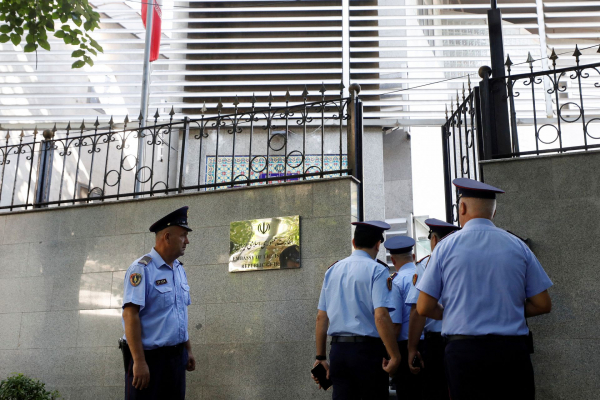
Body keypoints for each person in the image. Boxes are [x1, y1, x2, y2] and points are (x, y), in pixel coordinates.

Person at [416, 178, 553, 400]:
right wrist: (507, 307)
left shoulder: (445, 247)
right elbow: (543, 304)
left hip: (464, 353)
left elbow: (423, 307)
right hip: (511, 352)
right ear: (494, 212)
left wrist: (455, 311)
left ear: (462, 207)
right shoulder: (518, 246)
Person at [313, 221, 401, 399]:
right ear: (378, 244)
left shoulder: (332, 271)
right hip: (367, 352)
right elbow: (381, 317)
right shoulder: (377, 270)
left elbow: (321, 318)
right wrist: (395, 355)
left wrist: (321, 357)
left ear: (354, 242)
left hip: (338, 351)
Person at [120, 206, 196, 400]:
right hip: (149, 359)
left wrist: (188, 350)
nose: (187, 241)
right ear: (167, 237)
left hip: (176, 357)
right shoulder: (141, 269)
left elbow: (179, 312)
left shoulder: (178, 269)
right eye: (183, 235)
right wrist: (139, 361)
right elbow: (130, 315)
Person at [405, 218, 460, 400]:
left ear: (434, 240)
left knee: (436, 391)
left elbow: (417, 310)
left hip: (435, 343)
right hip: (464, 339)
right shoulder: (463, 263)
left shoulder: (425, 265)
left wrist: (412, 347)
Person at [385, 236, 424, 400]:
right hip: (431, 344)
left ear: (393, 260)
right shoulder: (426, 274)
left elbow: (395, 325)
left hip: (405, 347)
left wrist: (390, 355)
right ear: (413, 257)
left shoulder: (395, 281)